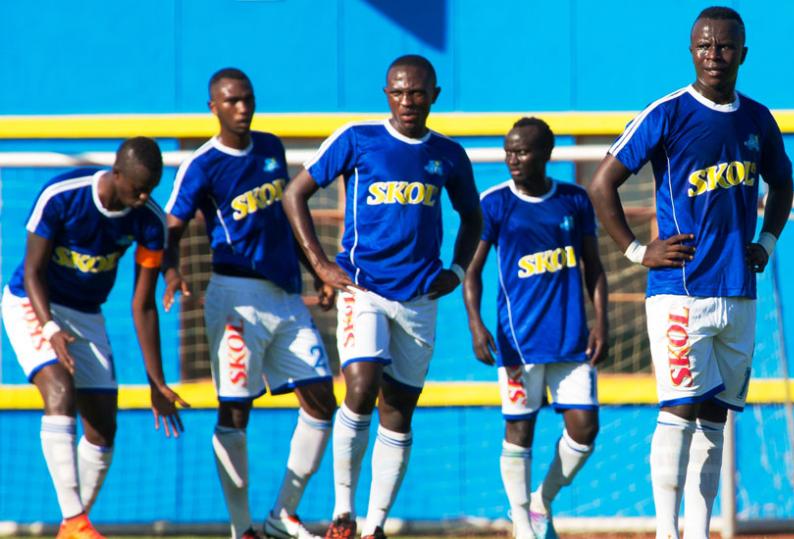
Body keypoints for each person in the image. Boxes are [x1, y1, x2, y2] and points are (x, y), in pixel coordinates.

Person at [587, 7, 794, 538]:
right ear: (691, 50)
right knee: (679, 407)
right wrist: (636, 251)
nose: (714, 55)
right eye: (704, 46)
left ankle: (699, 532)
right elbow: (601, 184)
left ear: (743, 53)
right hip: (680, 291)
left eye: (725, 47)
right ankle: (666, 530)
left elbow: (784, 183)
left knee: (715, 414)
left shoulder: (758, 120)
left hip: (738, 291)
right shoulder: (668, 112)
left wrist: (766, 242)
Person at [283, 54, 483, 539]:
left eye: (417, 92)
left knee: (398, 410)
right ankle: (343, 513)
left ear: (435, 95)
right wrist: (321, 264)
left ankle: (374, 526)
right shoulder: (358, 139)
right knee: (360, 385)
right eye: (398, 91)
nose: (408, 100)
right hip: (363, 287)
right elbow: (294, 195)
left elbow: (474, 217)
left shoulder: (449, 155)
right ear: (386, 94)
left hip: (419, 298)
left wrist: (456, 270)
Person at [163, 68, 337, 539]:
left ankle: (283, 514)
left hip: (284, 296)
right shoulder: (201, 165)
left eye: (248, 99)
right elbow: (171, 227)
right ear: (213, 107)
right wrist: (172, 269)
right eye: (232, 101)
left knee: (323, 400)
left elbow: (287, 215)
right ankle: (242, 529)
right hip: (235, 298)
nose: (242, 108)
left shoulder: (271, 147)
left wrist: (315, 268)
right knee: (236, 412)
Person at [0, 137, 188, 539]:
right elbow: (32, 271)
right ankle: (75, 521)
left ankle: (73, 526)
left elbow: (143, 305)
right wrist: (49, 329)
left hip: (86, 315)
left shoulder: (149, 221)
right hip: (33, 303)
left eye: (150, 188)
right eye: (137, 186)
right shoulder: (61, 196)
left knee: (103, 428)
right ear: (116, 173)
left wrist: (156, 382)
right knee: (60, 393)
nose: (142, 196)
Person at [463, 118, 607, 539]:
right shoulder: (494, 203)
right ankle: (522, 522)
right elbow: (472, 273)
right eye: (508, 151)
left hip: (572, 341)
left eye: (522, 152)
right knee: (520, 431)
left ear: (546, 153)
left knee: (585, 430)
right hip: (518, 343)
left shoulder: (574, 200)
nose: (513, 159)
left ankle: (542, 500)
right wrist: (476, 325)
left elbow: (594, 268)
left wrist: (602, 321)